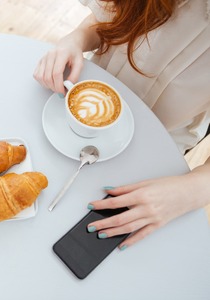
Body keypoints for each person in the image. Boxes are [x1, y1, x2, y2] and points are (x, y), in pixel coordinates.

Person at [34, 0, 210, 250]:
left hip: (160, 148)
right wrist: (78, 38)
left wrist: (194, 189)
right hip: (90, 83)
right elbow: (116, 15)